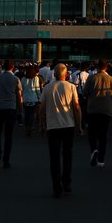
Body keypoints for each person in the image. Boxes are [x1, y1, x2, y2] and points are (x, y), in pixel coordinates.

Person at [37, 63, 82, 198]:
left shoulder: (47, 88)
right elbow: (76, 107)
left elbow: (41, 108)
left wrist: (41, 124)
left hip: (53, 126)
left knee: (54, 157)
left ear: (54, 74)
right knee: (68, 155)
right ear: (66, 74)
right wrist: (79, 125)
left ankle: (57, 186)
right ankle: (67, 182)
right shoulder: (71, 87)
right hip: (68, 125)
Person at [84, 59, 112, 167]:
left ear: (97, 67)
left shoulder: (91, 78)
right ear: (106, 67)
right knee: (103, 135)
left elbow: (85, 92)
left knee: (92, 133)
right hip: (106, 109)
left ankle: (94, 149)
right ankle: (101, 160)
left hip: (92, 109)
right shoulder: (111, 79)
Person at [0, 59, 23, 167]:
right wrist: (20, 110)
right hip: (10, 108)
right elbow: (18, 96)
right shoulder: (15, 79)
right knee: (8, 135)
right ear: (12, 67)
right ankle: (6, 159)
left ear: (3, 67)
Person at [21, 64, 42, 136]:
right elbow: (37, 89)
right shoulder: (36, 78)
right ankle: (31, 126)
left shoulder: (23, 79)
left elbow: (22, 89)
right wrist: (40, 97)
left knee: (26, 113)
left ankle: (26, 127)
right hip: (34, 98)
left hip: (25, 98)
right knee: (32, 114)